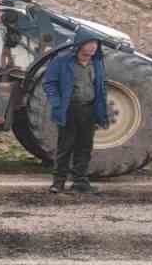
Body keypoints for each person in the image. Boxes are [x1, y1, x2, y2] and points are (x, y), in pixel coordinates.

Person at [43, 28, 110, 193]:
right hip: (69, 109)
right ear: (80, 44)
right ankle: (58, 183)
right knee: (65, 147)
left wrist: (101, 106)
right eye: (90, 43)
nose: (93, 47)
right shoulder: (62, 61)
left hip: (89, 109)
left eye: (96, 44)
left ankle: (80, 182)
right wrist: (57, 103)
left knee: (85, 147)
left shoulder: (97, 62)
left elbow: (101, 84)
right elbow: (49, 83)